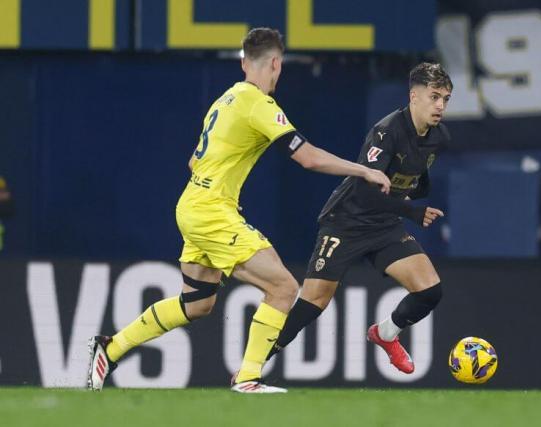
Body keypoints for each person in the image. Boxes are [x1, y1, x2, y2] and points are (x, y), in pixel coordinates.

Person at [87, 27, 390, 394]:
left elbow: (192, 162)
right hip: (212, 211)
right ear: (276, 64)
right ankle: (248, 378)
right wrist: (364, 169)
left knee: (196, 303)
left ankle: (112, 348)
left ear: (244, 61)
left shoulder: (225, 99)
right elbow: (308, 158)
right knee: (282, 286)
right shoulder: (259, 104)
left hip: (193, 205)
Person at [267, 62, 452, 374]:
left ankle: (385, 334)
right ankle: (255, 363)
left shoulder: (439, 136)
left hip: (384, 224)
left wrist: (414, 195)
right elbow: (366, 194)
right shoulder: (387, 131)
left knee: (430, 291)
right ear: (413, 97)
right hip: (347, 221)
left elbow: (417, 177)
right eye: (434, 97)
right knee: (314, 302)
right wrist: (413, 211)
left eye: (446, 99)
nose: (440, 106)